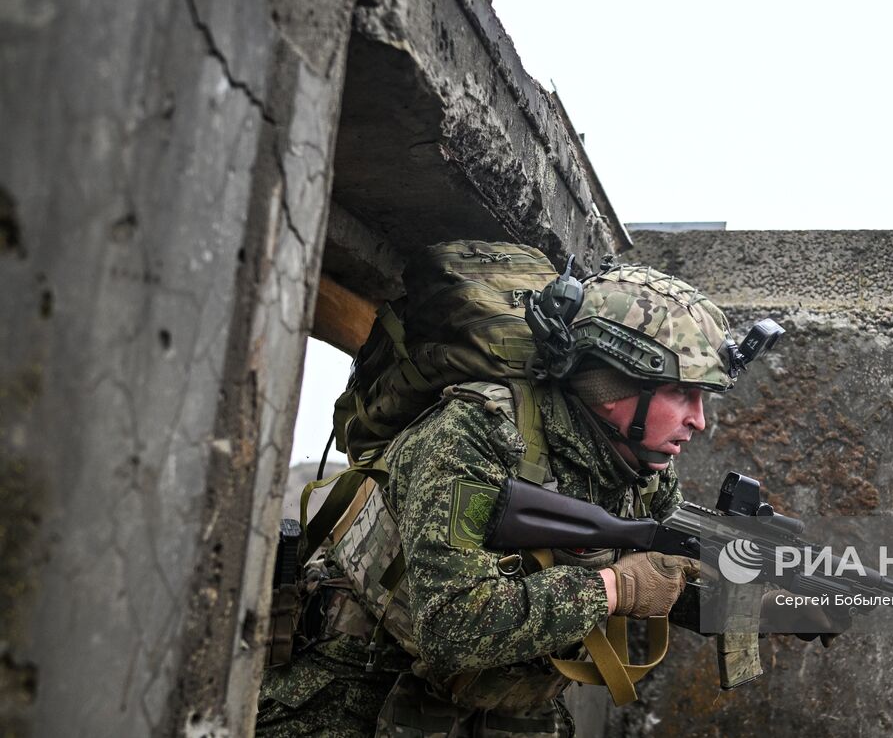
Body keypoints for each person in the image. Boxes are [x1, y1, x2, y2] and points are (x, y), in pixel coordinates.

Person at [257, 264, 753, 737]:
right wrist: (614, 589)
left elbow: (668, 577)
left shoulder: (640, 465)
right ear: (614, 381)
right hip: (358, 696)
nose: (699, 420)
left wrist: (791, 600)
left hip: (508, 709)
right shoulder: (474, 435)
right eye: (683, 393)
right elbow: (452, 625)